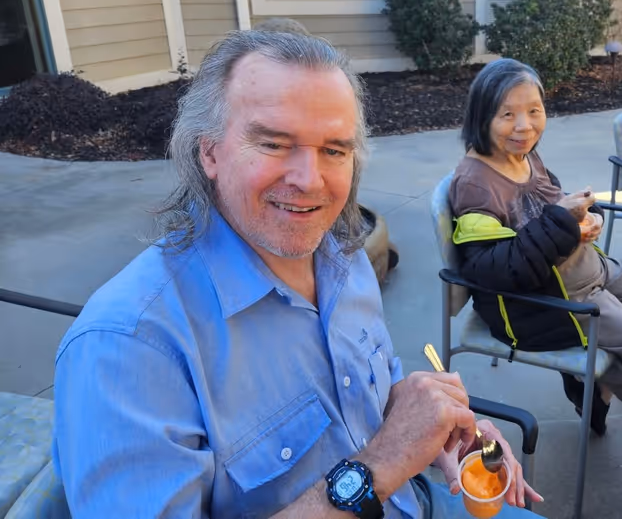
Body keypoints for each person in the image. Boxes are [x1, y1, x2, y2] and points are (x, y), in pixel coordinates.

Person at [51, 31, 542, 518]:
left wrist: (431, 421)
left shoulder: (342, 258)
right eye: (274, 144)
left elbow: (370, 397)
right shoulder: (128, 347)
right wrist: (382, 464)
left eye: (334, 150)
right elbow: (382, 457)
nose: (310, 181)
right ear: (210, 153)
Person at [448, 58, 622, 437]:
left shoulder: (525, 155)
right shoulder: (476, 184)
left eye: (534, 111)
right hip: (553, 299)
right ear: (482, 117)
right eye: (507, 114)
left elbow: (557, 201)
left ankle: (588, 377)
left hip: (585, 266)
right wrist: (563, 222)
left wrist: (589, 216)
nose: (524, 126)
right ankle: (595, 391)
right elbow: (494, 270)